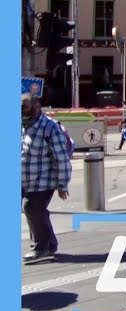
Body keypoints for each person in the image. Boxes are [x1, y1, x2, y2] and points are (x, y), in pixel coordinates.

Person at [21, 93, 71, 264]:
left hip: (43, 180)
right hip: (24, 179)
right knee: (36, 212)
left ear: (36, 107)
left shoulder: (50, 128)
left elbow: (61, 158)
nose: (20, 112)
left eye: (24, 108)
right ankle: (50, 243)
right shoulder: (22, 126)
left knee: (31, 208)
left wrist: (62, 184)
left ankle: (40, 247)